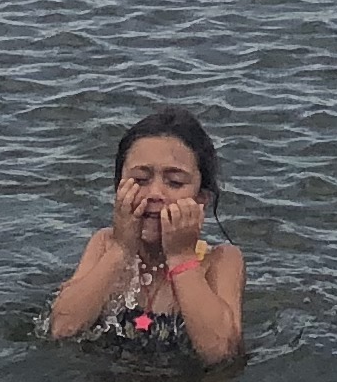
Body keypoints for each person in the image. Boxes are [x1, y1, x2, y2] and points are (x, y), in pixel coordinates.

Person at [51, 105, 245, 361]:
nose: (155, 194)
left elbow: (221, 353)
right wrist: (121, 249)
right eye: (140, 180)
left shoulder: (220, 261)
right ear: (118, 189)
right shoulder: (105, 244)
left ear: (201, 200)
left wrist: (181, 257)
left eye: (175, 182)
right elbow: (61, 329)